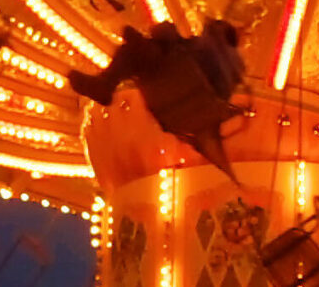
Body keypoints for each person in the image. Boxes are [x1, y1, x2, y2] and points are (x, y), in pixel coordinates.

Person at [67, 19, 247, 176]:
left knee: (138, 52)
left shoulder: (220, 53)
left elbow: (198, 55)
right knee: (137, 52)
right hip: (181, 92)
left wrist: (167, 34)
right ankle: (111, 76)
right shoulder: (228, 61)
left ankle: (107, 81)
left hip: (184, 87)